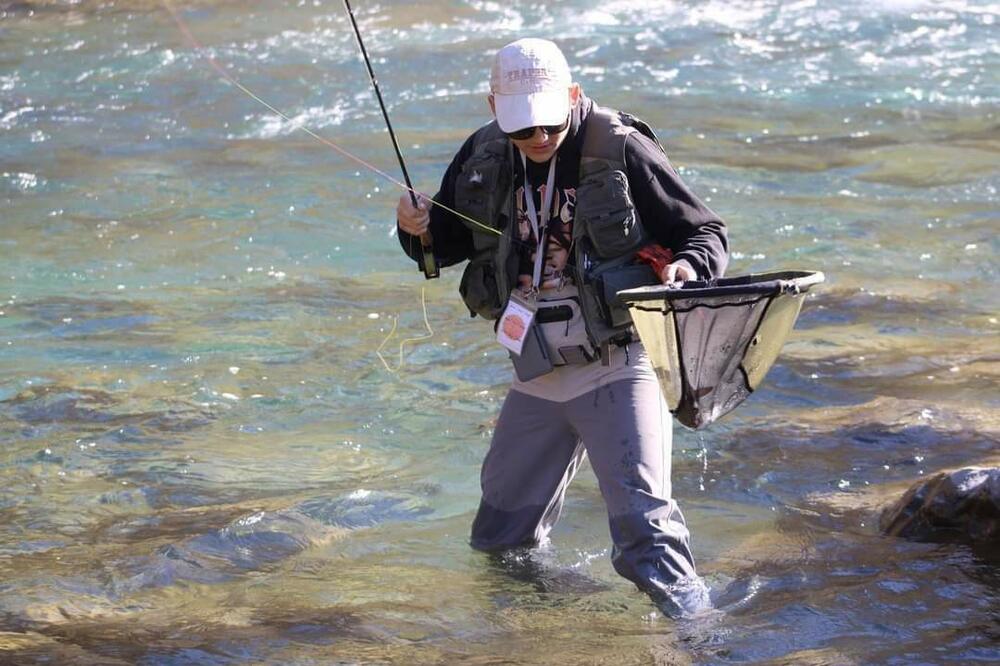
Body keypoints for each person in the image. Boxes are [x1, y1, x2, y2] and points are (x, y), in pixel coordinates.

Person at [395, 38, 728, 615]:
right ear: (494, 106)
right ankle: (560, 630)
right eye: (523, 130)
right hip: (535, 372)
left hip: (618, 366)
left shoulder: (621, 147)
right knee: (499, 543)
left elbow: (707, 233)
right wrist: (414, 228)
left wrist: (687, 266)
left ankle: (706, 642)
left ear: (573, 96)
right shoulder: (483, 152)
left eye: (549, 123)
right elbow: (442, 248)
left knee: (647, 545)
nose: (539, 139)